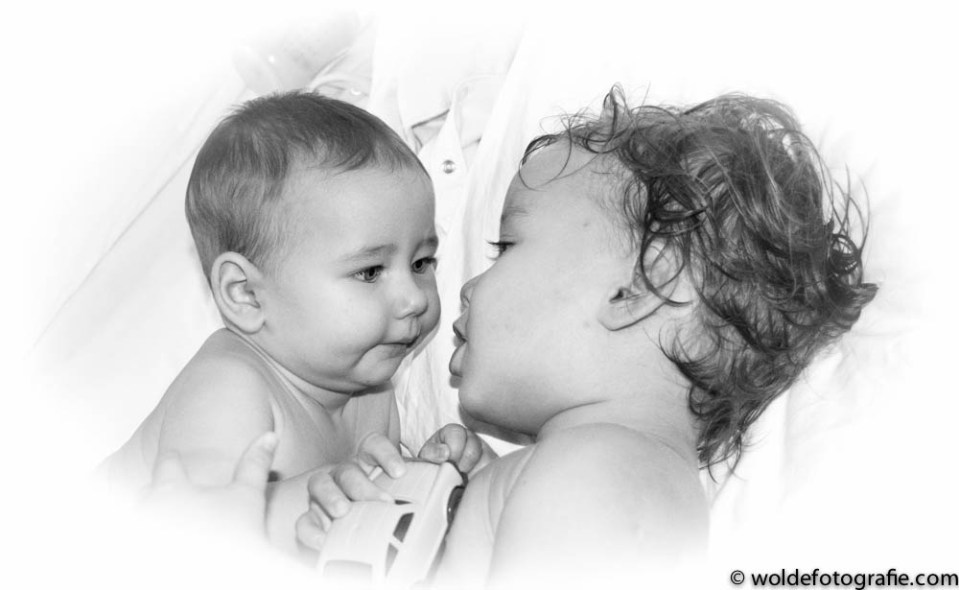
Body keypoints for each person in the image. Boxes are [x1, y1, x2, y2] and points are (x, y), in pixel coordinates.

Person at [299, 89, 878, 585]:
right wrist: (455, 517)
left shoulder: (594, 474)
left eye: (507, 247)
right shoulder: (604, 478)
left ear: (640, 288)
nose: (468, 287)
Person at [99, 91, 490, 551]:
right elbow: (193, 529)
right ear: (246, 294)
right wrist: (323, 500)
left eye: (421, 263)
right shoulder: (230, 389)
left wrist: (425, 478)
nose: (414, 299)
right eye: (369, 272)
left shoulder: (372, 392)